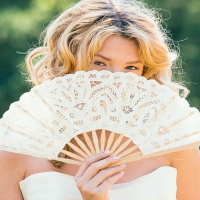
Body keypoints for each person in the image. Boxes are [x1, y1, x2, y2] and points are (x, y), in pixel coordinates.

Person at [0, 0, 200, 199]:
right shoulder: (18, 152)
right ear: (67, 64)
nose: (115, 81)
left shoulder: (175, 147)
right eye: (99, 63)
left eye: (131, 68)